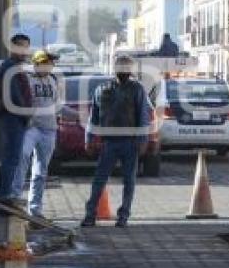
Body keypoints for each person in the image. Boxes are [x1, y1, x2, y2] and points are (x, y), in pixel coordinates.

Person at [81, 54, 152, 228]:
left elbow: (143, 115)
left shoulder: (137, 90)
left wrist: (143, 140)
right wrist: (89, 139)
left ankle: (123, 216)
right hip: (109, 143)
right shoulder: (102, 89)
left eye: (127, 68)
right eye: (121, 67)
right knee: (99, 179)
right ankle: (90, 215)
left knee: (129, 181)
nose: (124, 71)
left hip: (130, 143)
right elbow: (94, 117)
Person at [13, 50, 71, 218]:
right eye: (48, 63)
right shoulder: (27, 79)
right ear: (38, 63)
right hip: (31, 128)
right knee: (22, 157)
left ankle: (35, 209)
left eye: (52, 64)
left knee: (41, 171)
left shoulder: (52, 80)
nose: (51, 66)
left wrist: (77, 115)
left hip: (49, 130)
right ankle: (15, 198)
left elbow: (57, 106)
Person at [0, 33, 33, 209]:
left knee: (13, 157)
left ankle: (7, 195)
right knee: (11, 157)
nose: (24, 50)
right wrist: (26, 113)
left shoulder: (17, 66)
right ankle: (4, 197)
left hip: (17, 117)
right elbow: (14, 95)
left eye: (26, 46)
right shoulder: (9, 66)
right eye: (20, 46)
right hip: (12, 117)